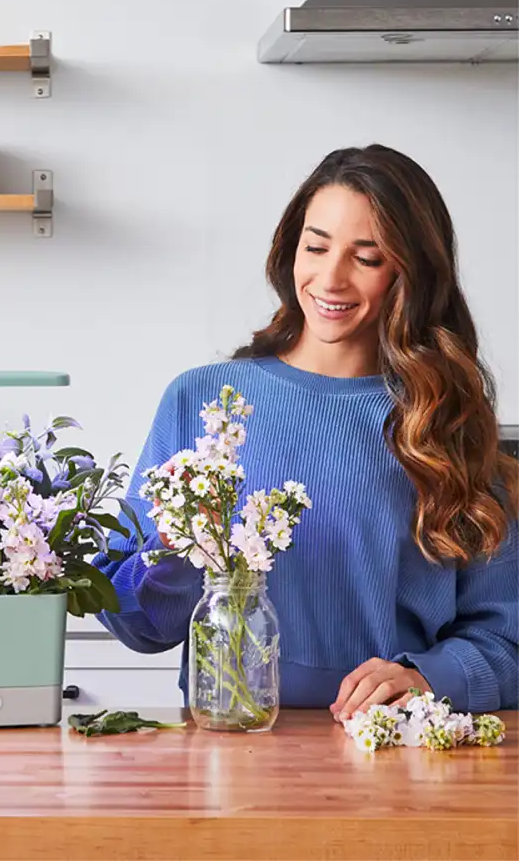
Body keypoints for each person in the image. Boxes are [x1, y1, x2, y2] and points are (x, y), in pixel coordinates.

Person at [95, 144, 518, 717]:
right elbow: (139, 626)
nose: (331, 278)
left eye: (367, 259)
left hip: (393, 752)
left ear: (412, 273)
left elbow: (505, 640)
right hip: (227, 746)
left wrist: (426, 678)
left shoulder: (445, 420)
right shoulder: (199, 401)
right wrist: (178, 546)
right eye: (315, 247)